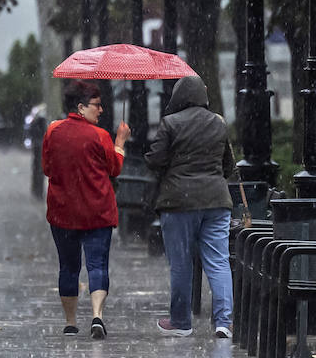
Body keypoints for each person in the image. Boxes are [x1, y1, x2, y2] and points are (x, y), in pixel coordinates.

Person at [145, 74, 237, 338]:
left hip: (179, 202)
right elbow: (228, 165)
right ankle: (223, 321)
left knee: (181, 262)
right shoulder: (218, 123)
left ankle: (181, 322)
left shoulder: (170, 123)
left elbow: (155, 161)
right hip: (216, 201)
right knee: (218, 261)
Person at [41, 79, 130, 338]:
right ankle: (97, 316)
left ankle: (70, 322)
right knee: (97, 265)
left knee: (68, 267)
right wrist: (120, 141)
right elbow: (114, 168)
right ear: (80, 107)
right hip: (97, 213)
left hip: (63, 212)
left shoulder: (53, 131)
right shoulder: (100, 136)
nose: (101, 110)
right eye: (96, 106)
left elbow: (47, 168)